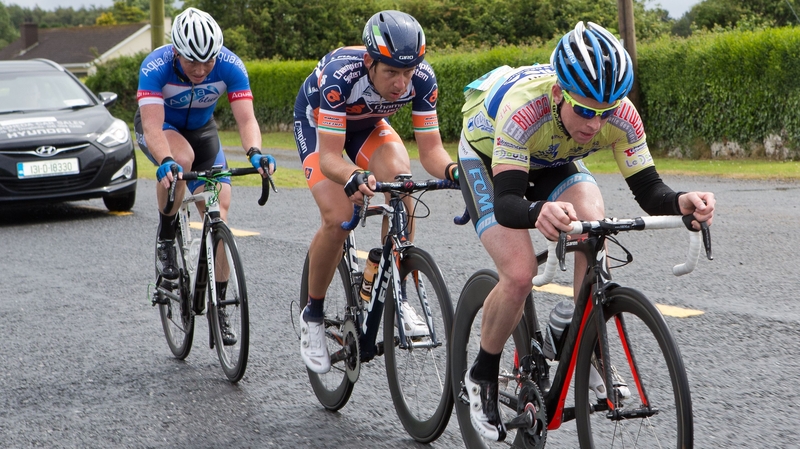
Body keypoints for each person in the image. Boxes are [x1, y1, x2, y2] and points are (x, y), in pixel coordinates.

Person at [456, 21, 716, 441]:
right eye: (586, 111)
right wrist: (537, 209)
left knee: (594, 221)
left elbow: (649, 190)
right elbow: (507, 203)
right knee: (520, 273)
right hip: (490, 162)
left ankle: (583, 334)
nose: (596, 124)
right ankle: (482, 372)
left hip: (553, 158)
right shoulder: (524, 110)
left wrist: (681, 200)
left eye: (606, 112)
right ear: (560, 93)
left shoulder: (622, 115)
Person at [293, 10, 459, 374]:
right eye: (391, 73)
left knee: (403, 184)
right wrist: (353, 176)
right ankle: (313, 314)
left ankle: (386, 286)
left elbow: (431, 151)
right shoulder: (341, 75)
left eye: (408, 72)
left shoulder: (423, 79)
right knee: (338, 219)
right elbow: (332, 157)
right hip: (319, 126)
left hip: (367, 125)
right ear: (370, 61)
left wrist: (453, 170)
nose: (401, 84)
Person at [135, 7, 275, 344]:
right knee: (180, 160)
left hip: (203, 132)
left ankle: (220, 306)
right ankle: (166, 236)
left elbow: (246, 120)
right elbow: (152, 127)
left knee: (219, 213)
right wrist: (165, 160)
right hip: (163, 131)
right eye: (191, 62)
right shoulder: (155, 66)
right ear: (176, 52)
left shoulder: (230, 64)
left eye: (207, 62)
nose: (200, 70)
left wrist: (255, 152)